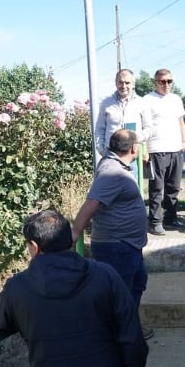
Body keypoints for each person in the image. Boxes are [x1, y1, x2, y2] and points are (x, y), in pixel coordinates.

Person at [0, 210, 148, 367]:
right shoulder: (105, 275)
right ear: (70, 239)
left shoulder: (18, 288)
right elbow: (133, 340)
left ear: (35, 247)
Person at [72, 128, 154, 340]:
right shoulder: (112, 171)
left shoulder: (117, 166)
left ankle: (129, 326)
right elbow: (92, 202)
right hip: (116, 246)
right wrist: (75, 232)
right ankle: (118, 336)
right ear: (134, 148)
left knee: (136, 284)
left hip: (126, 245)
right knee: (120, 293)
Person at [143, 68, 185, 235]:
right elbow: (144, 126)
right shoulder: (147, 100)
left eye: (169, 81)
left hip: (175, 149)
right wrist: (145, 149)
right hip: (157, 149)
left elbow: (181, 122)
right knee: (157, 188)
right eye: (162, 81)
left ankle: (171, 218)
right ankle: (155, 221)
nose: (166, 84)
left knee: (174, 187)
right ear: (156, 82)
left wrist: (184, 141)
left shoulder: (176, 99)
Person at [95, 68, 152, 159]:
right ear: (116, 83)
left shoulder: (142, 103)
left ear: (133, 84)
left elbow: (149, 128)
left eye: (127, 83)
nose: (123, 86)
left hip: (132, 155)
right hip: (111, 154)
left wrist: (137, 137)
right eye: (120, 82)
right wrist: (101, 150)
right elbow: (99, 129)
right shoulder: (106, 103)